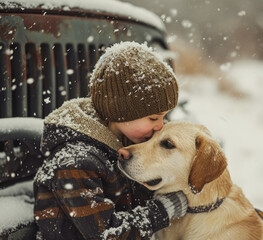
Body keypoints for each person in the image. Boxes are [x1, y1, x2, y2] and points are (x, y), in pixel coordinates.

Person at [34, 42, 188, 239]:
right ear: (122, 113)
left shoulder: (128, 140)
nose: (161, 125)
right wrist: (163, 210)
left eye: (164, 116)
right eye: (153, 118)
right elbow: (107, 234)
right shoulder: (76, 162)